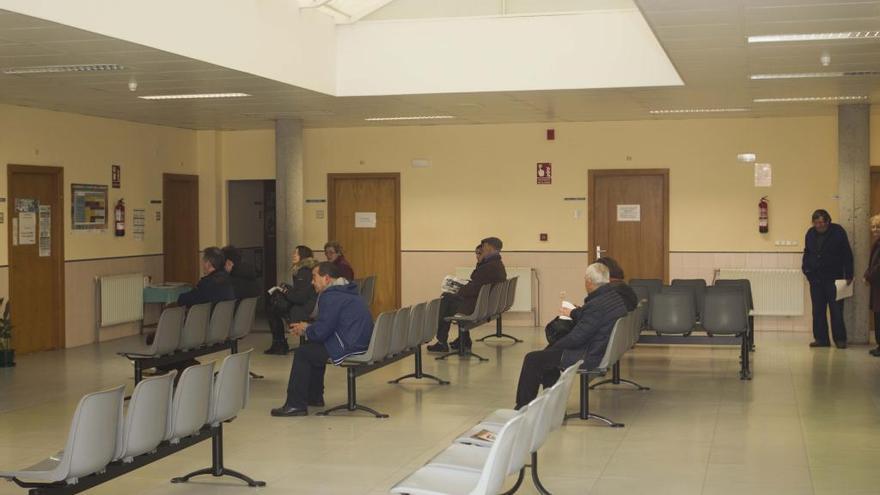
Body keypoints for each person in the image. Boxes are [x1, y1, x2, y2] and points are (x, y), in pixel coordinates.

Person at [514, 263, 626, 409]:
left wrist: (554, 347)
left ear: (589, 282)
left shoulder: (596, 305)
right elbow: (593, 321)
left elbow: (577, 337)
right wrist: (574, 312)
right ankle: (553, 406)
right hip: (599, 348)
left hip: (589, 354)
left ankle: (522, 408)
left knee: (533, 359)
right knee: (546, 359)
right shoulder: (613, 297)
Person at [270, 262, 373, 417]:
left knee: (303, 353)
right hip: (360, 340)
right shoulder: (348, 290)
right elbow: (327, 325)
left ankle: (295, 405)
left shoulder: (330, 295)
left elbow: (321, 332)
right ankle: (314, 397)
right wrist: (310, 328)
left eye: (314, 277)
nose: (312, 282)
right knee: (314, 346)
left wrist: (305, 329)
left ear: (326, 279)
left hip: (349, 345)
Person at [427, 237, 507, 353]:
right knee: (449, 299)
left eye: (483, 248)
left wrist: (458, 290)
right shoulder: (497, 264)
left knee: (445, 299)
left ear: (489, 248)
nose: (481, 251)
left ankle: (442, 342)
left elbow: (474, 287)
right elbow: (477, 283)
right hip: (485, 303)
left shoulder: (488, 267)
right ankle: (463, 339)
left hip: (476, 307)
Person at [802, 209, 853, 349]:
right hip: (815, 279)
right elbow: (807, 252)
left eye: (821, 223)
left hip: (834, 279)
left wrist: (849, 274)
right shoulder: (810, 233)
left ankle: (840, 340)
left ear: (828, 221)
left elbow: (847, 253)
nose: (818, 226)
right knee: (817, 311)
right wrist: (806, 269)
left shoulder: (838, 231)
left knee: (836, 310)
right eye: (815, 223)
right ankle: (821, 339)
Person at [265, 246, 319, 355]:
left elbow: (299, 298)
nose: (293, 255)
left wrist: (285, 291)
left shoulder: (303, 272)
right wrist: (288, 288)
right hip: (308, 304)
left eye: (296, 253)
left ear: (302, 256)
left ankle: (279, 344)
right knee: (274, 308)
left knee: (272, 310)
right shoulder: (306, 270)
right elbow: (301, 291)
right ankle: (279, 344)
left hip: (305, 308)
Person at [865, 214, 880, 357]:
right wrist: (867, 273)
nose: (875, 229)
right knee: (877, 316)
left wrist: (868, 276)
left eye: (878, 227)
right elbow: (872, 264)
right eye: (873, 227)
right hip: (876, 287)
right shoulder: (877, 243)